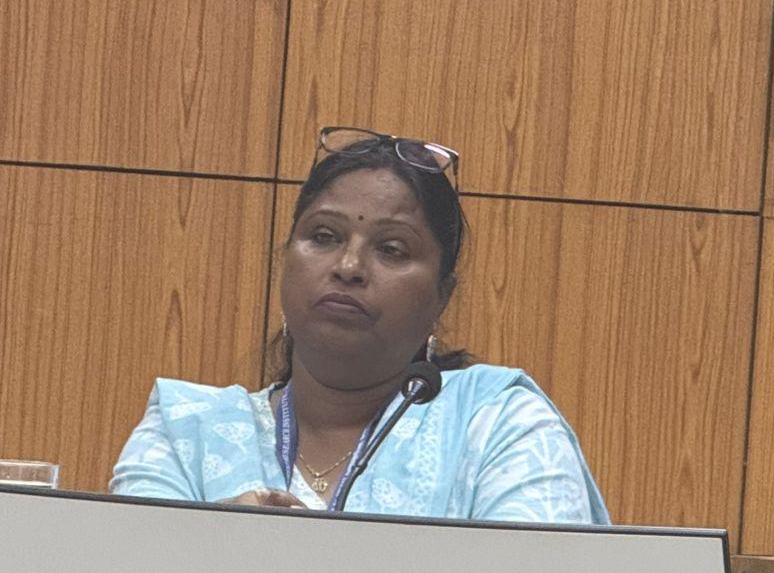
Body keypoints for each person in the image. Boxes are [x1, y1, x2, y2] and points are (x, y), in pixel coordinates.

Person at [111, 127, 608, 524]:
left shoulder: (500, 425)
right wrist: (214, 537)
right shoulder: (185, 429)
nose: (348, 266)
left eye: (392, 249)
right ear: (285, 264)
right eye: (324, 236)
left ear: (440, 297)